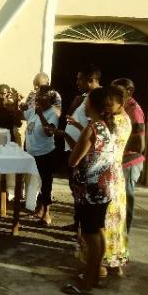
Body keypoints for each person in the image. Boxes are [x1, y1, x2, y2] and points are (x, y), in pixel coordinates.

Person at [60, 87, 115, 295]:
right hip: (103, 188)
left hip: (89, 191)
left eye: (87, 101)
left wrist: (66, 137)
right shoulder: (105, 127)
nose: (84, 104)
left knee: (91, 236)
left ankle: (87, 283)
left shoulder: (91, 129)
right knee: (98, 232)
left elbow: (74, 159)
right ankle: (94, 273)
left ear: (92, 105)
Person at [60, 64, 102, 231]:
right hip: (74, 147)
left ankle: (84, 228)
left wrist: (74, 128)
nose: (76, 82)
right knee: (76, 188)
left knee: (82, 189)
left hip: (84, 152)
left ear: (90, 80)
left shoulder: (98, 98)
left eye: (80, 79)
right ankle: (78, 223)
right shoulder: (86, 96)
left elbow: (93, 129)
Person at [102, 84, 131, 275]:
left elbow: (104, 145)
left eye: (110, 103)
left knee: (107, 218)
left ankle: (104, 261)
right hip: (114, 174)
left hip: (109, 174)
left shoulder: (118, 122)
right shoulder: (120, 118)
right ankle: (115, 261)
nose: (107, 107)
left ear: (121, 103)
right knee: (115, 218)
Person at [112, 78, 145, 233]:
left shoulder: (134, 110)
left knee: (126, 201)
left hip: (129, 162)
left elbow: (140, 144)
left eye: (117, 90)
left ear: (129, 91)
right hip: (120, 161)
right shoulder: (120, 107)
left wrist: (119, 143)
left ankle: (124, 235)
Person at [24, 85, 59, 226]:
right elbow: (19, 116)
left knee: (45, 183)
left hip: (45, 153)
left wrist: (40, 115)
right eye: (37, 94)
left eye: (41, 95)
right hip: (32, 153)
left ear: (49, 98)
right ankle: (39, 208)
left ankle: (47, 213)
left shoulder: (52, 113)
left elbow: (49, 132)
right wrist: (15, 104)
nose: (37, 97)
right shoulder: (33, 110)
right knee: (36, 182)